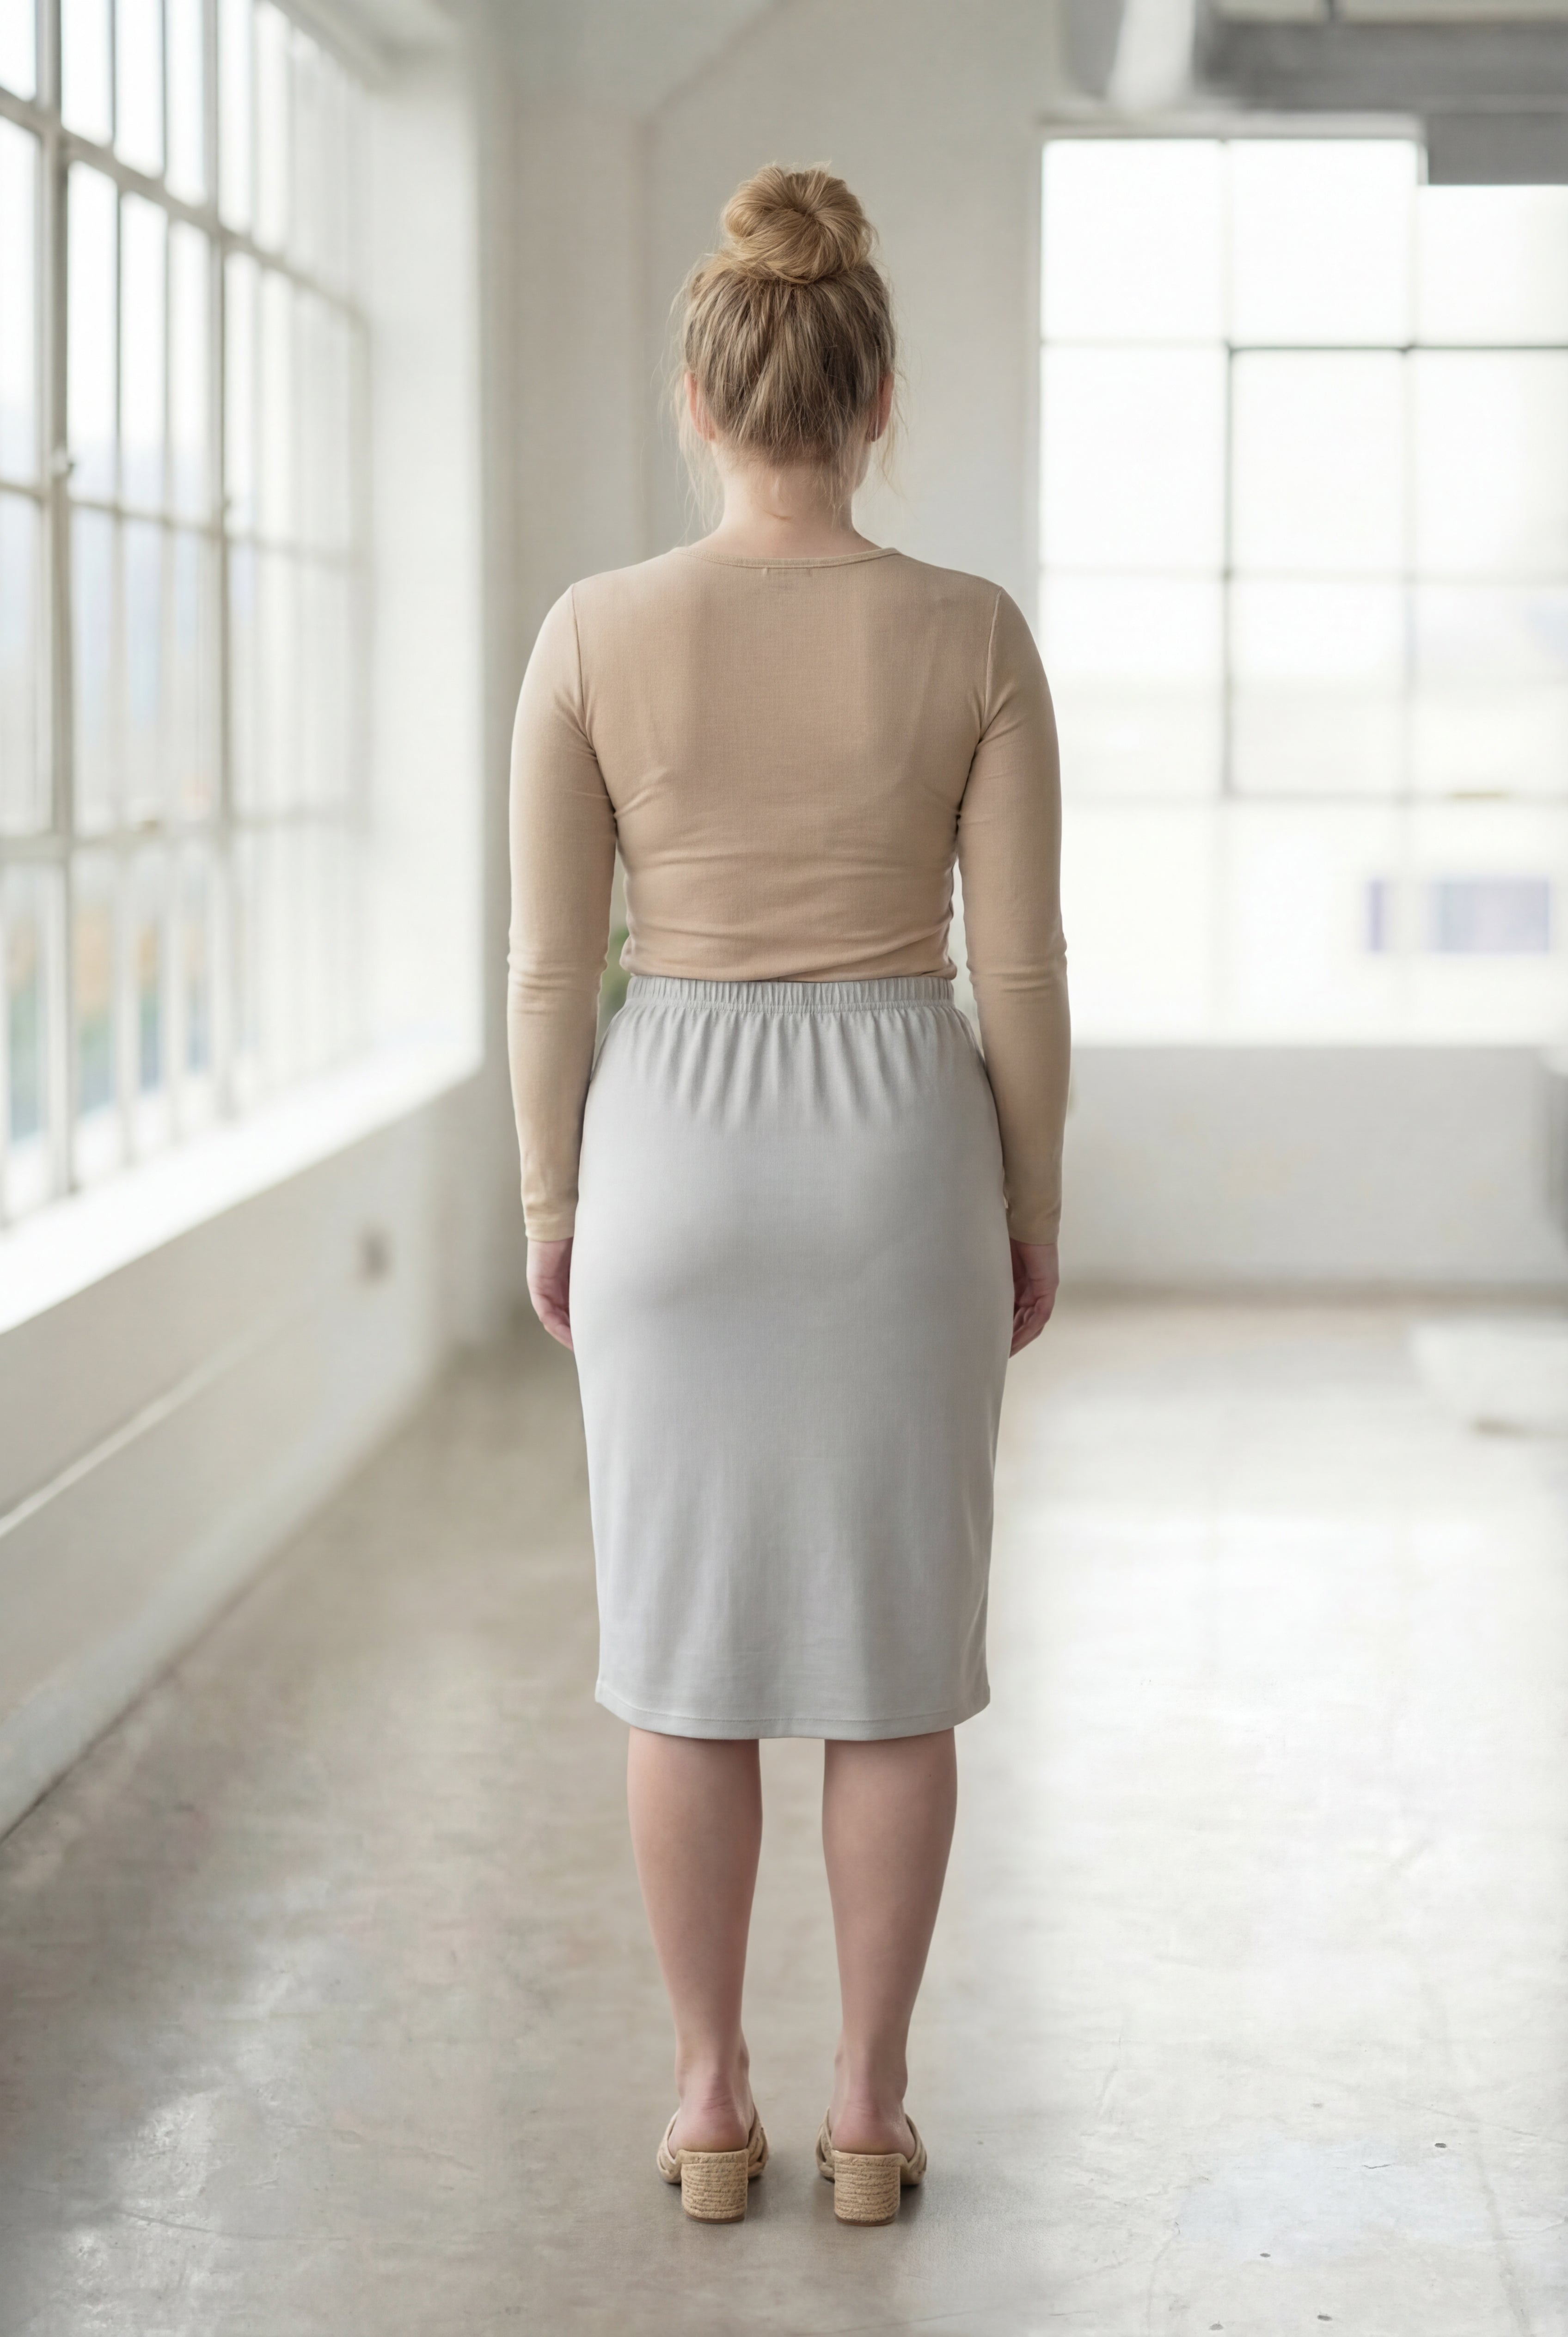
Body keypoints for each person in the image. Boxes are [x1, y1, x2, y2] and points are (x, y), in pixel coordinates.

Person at [507, 163, 1069, 2227]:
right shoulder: (970, 634)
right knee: (887, 1661)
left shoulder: (593, 634)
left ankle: (707, 2097)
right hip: (893, 1146)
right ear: (877, 393)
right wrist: (1027, 1202)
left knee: (687, 1661)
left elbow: (553, 969)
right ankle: (862, 2108)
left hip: (666, 1144)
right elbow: (1018, 972)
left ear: (698, 390)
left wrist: (549, 1204)